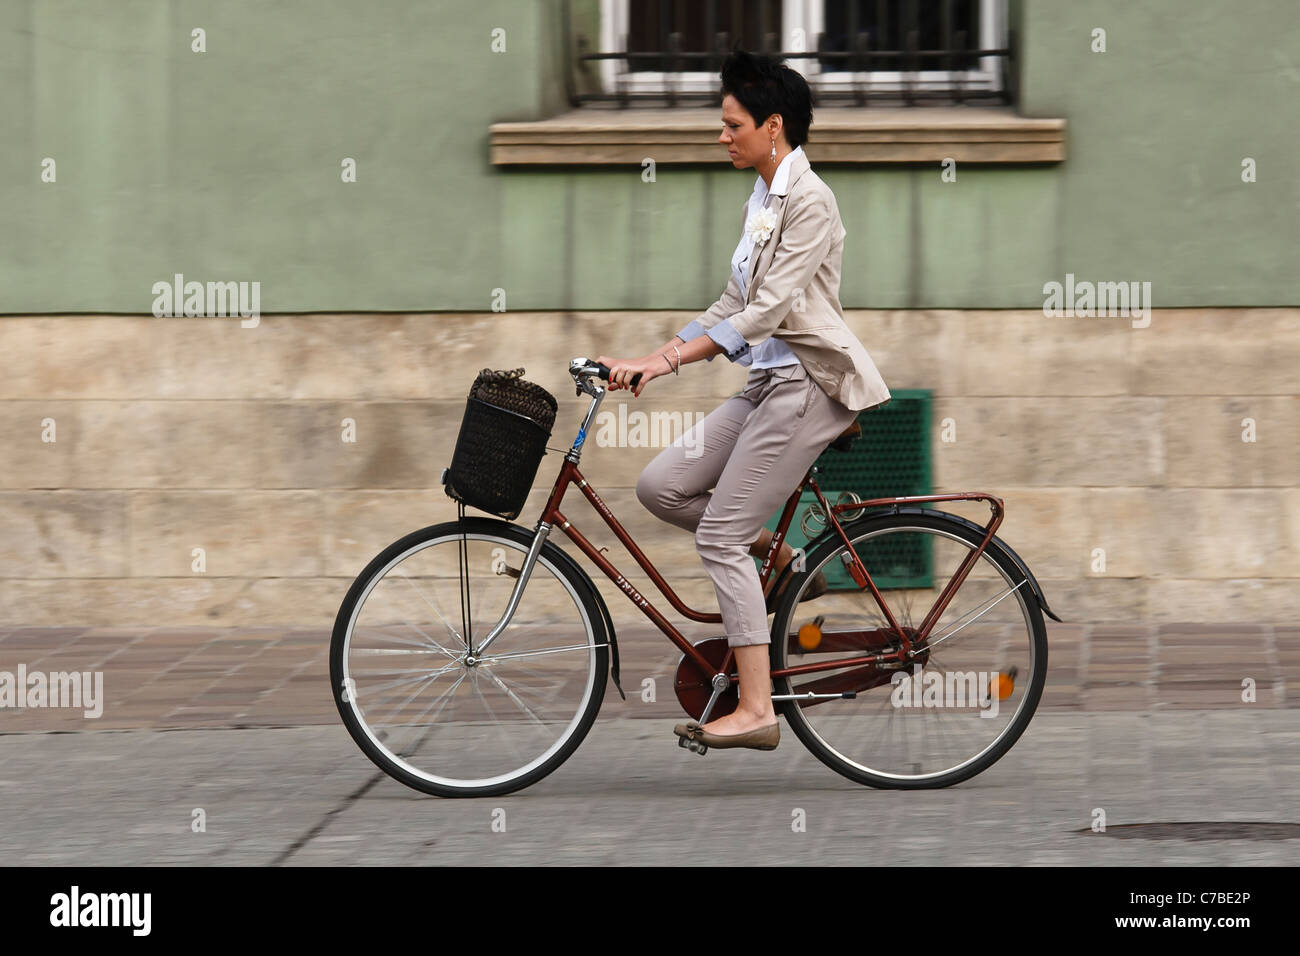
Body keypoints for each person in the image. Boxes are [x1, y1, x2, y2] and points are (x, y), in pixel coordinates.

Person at [596, 49, 890, 752]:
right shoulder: (762, 197)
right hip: (766, 384)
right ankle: (784, 560)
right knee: (661, 486)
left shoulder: (812, 199)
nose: (721, 135)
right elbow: (735, 299)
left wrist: (668, 364)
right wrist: (650, 354)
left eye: (732, 124)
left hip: (808, 389)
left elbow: (766, 313)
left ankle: (758, 709)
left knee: (720, 536)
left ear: (773, 125)